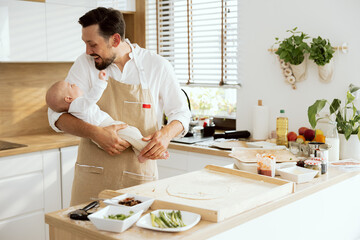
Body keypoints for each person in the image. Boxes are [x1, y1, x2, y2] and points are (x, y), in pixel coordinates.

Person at [47, 7, 191, 206]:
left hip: (138, 177)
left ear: (115, 40)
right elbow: (56, 116)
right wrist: (95, 133)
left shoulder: (157, 66)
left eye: (92, 44)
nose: (88, 51)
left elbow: (182, 113)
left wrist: (165, 135)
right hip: (92, 175)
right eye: (85, 44)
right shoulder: (85, 64)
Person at [45, 70, 169, 163]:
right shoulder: (77, 104)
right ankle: (154, 153)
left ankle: (140, 154)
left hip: (103, 126)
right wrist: (101, 82)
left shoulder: (74, 106)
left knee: (131, 138)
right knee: (133, 133)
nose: (75, 84)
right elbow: (91, 98)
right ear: (68, 98)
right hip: (104, 126)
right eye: (71, 86)